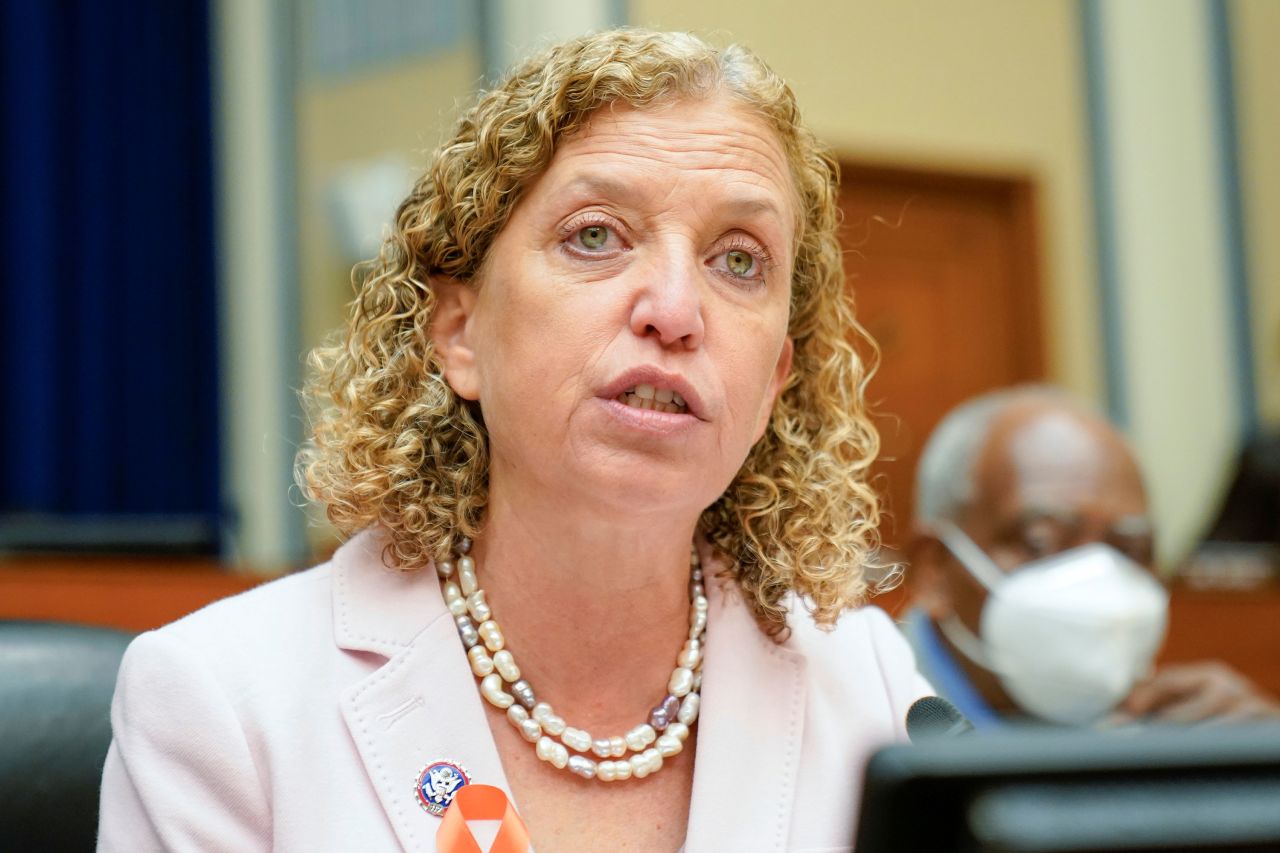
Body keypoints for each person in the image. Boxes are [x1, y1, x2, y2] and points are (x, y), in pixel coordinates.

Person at [97, 29, 931, 852]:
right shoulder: (223, 700)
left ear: (773, 384)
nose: (675, 311)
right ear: (459, 332)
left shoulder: (872, 684)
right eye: (596, 235)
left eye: (740, 260)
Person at [903, 385, 1280, 729]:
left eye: (1128, 550)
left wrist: (1250, 770)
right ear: (933, 570)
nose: (1097, 580)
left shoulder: (1166, 730)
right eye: (1041, 543)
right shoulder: (865, 722)